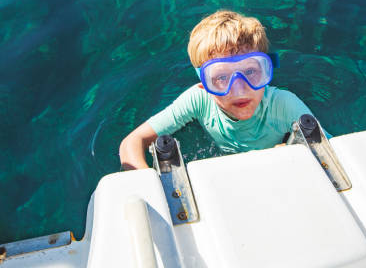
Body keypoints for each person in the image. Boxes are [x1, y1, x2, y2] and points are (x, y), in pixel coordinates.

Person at [119, 10, 326, 170]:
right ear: (204, 85)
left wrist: (296, 153)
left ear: (266, 70)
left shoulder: (283, 105)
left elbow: (333, 152)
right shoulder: (197, 100)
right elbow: (132, 142)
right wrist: (147, 184)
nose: (239, 89)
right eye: (221, 77)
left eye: (250, 71)